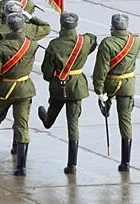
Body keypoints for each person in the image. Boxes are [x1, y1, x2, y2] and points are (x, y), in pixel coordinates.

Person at [38, 12, 97, 174]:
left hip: (59, 86)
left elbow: (47, 73)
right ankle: (72, 164)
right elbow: (93, 39)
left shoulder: (54, 45)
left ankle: (47, 120)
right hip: (77, 87)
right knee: (73, 124)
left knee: (53, 111)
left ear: (61, 24)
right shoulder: (84, 42)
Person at [0, 12, 39, 176]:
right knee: (22, 124)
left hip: (5, 89)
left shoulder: (0, 47)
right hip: (24, 88)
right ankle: (21, 166)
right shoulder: (32, 44)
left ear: (9, 26)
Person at [92, 13, 140, 172]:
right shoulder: (136, 41)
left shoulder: (107, 44)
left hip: (111, 84)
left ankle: (105, 106)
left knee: (104, 101)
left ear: (112, 26)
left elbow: (101, 69)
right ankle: (125, 162)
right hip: (128, 85)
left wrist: (99, 89)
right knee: (125, 120)